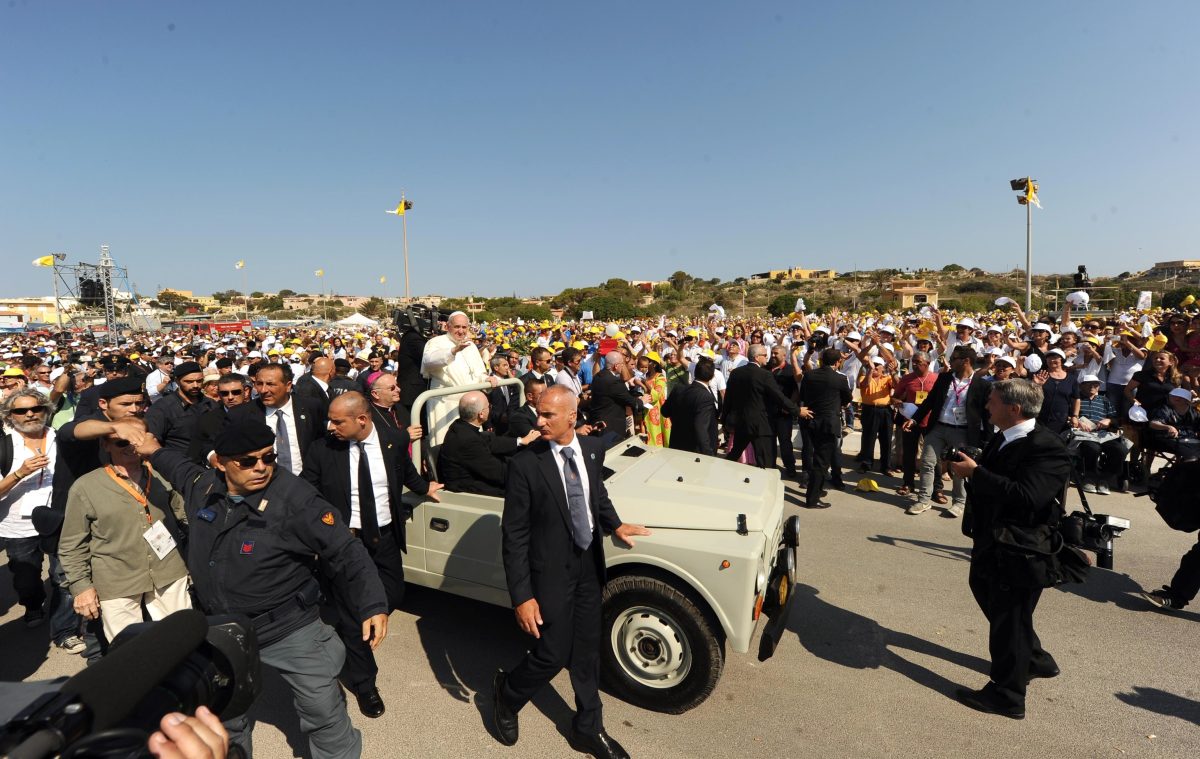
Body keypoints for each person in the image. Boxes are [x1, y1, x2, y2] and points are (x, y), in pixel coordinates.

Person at [136, 418, 388, 759]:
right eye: (248, 461)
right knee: (226, 713)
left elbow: (346, 550)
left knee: (322, 711)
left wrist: (372, 604)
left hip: (289, 627)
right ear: (221, 463)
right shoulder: (205, 486)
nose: (262, 467)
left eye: (269, 457)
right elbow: (176, 465)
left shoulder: (297, 500)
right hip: (222, 629)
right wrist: (151, 448)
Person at [492, 385, 650, 757]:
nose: (539, 421)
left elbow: (596, 494)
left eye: (548, 415)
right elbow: (513, 535)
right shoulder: (525, 463)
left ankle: (588, 727)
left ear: (572, 417)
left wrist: (615, 524)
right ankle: (508, 694)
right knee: (552, 652)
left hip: (587, 566)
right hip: (549, 572)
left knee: (586, 650)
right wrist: (523, 596)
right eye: (539, 413)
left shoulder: (592, 450)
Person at [301, 392, 442, 718]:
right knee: (354, 616)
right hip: (346, 543)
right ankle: (365, 684)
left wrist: (424, 488)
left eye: (338, 421)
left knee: (392, 594)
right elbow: (308, 492)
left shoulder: (392, 440)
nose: (331, 426)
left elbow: (405, 471)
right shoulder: (323, 450)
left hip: (387, 537)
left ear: (361, 420)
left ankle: (355, 625)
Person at [948, 379, 1070, 720]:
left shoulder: (1047, 447)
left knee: (1009, 621)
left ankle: (1007, 694)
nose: (987, 407)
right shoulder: (1004, 435)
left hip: (1021, 548)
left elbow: (1029, 497)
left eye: (993, 402)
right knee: (989, 596)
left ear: (1014, 409)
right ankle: (1035, 659)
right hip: (993, 541)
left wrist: (978, 473)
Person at [58, 434, 192, 640]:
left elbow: (185, 517)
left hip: (169, 570)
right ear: (105, 445)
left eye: (136, 441)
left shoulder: (162, 475)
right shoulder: (86, 486)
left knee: (182, 638)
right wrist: (81, 587)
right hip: (116, 579)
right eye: (122, 442)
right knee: (129, 651)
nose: (131, 447)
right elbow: (72, 544)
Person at [0, 389, 56, 628]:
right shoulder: (4, 446)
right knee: (27, 579)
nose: (30, 414)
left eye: (36, 408)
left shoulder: (59, 438)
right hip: (18, 526)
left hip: (59, 519)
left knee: (65, 575)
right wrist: (20, 473)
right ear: (9, 416)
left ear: (46, 410)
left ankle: (65, 621)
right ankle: (33, 605)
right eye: (21, 411)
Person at [905, 345, 977, 518]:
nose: (950, 362)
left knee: (959, 468)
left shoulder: (980, 383)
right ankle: (923, 500)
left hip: (961, 431)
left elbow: (983, 411)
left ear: (966, 361)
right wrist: (914, 419)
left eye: (954, 359)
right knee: (927, 462)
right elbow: (929, 401)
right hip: (937, 428)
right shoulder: (944, 378)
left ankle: (959, 503)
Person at [226, 363, 326, 476]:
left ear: (288, 386)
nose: (263, 390)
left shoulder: (311, 407)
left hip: (307, 482)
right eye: (259, 384)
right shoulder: (241, 414)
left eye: (270, 384)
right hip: (263, 482)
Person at [438, 391, 537, 496]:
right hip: (468, 490)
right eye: (489, 406)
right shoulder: (468, 439)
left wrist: (521, 441)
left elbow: (490, 441)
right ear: (481, 414)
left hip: (475, 477)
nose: (490, 408)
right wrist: (527, 471)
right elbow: (497, 473)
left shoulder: (460, 425)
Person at [421, 312, 496, 445]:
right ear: (448, 327)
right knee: (444, 444)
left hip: (470, 404)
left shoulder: (471, 346)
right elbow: (429, 362)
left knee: (471, 445)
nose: (461, 331)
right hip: (445, 403)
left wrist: (486, 379)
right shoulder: (435, 342)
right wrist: (453, 351)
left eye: (464, 327)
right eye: (457, 327)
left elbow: (479, 372)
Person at [723, 344, 798, 467]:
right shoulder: (764, 374)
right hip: (760, 424)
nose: (767, 357)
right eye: (764, 355)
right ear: (757, 357)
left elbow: (728, 399)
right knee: (765, 460)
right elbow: (779, 397)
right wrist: (797, 410)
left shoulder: (736, 373)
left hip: (741, 422)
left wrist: (725, 419)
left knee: (734, 453)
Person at [798, 348, 850, 509]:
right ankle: (812, 499)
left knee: (817, 459)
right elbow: (847, 399)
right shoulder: (839, 379)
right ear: (837, 362)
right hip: (828, 423)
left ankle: (817, 489)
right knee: (821, 462)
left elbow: (803, 396)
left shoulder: (809, 375)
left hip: (811, 420)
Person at [144, 362, 216, 454]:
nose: (195, 385)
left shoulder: (211, 404)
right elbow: (152, 440)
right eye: (189, 381)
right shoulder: (162, 408)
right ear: (177, 381)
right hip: (179, 463)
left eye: (199, 381)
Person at [586, 351, 649, 443]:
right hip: (610, 427)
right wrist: (642, 401)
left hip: (598, 423)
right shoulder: (614, 382)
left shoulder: (598, 376)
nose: (623, 366)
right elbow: (631, 401)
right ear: (616, 366)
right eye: (622, 364)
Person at [662, 357, 719, 456]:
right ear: (712, 376)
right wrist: (709, 455)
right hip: (695, 452)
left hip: (677, 445)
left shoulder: (678, 389)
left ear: (695, 373)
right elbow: (701, 429)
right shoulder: (705, 397)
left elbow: (665, 411)